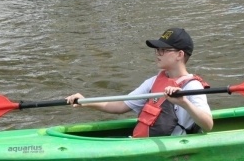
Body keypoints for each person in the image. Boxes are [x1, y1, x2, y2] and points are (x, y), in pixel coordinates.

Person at [66, 28, 213, 137]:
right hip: (143, 143)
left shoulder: (193, 86)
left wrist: (184, 102)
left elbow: (208, 125)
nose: (157, 54)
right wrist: (86, 102)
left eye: (162, 50)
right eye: (156, 50)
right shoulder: (153, 81)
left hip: (172, 146)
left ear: (179, 55)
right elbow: (121, 105)